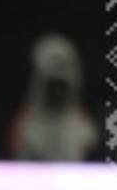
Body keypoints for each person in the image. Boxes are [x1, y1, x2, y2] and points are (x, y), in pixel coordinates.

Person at [9, 32, 97, 161]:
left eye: (61, 86)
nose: (57, 92)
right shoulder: (24, 122)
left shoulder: (80, 119)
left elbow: (90, 146)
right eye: (53, 86)